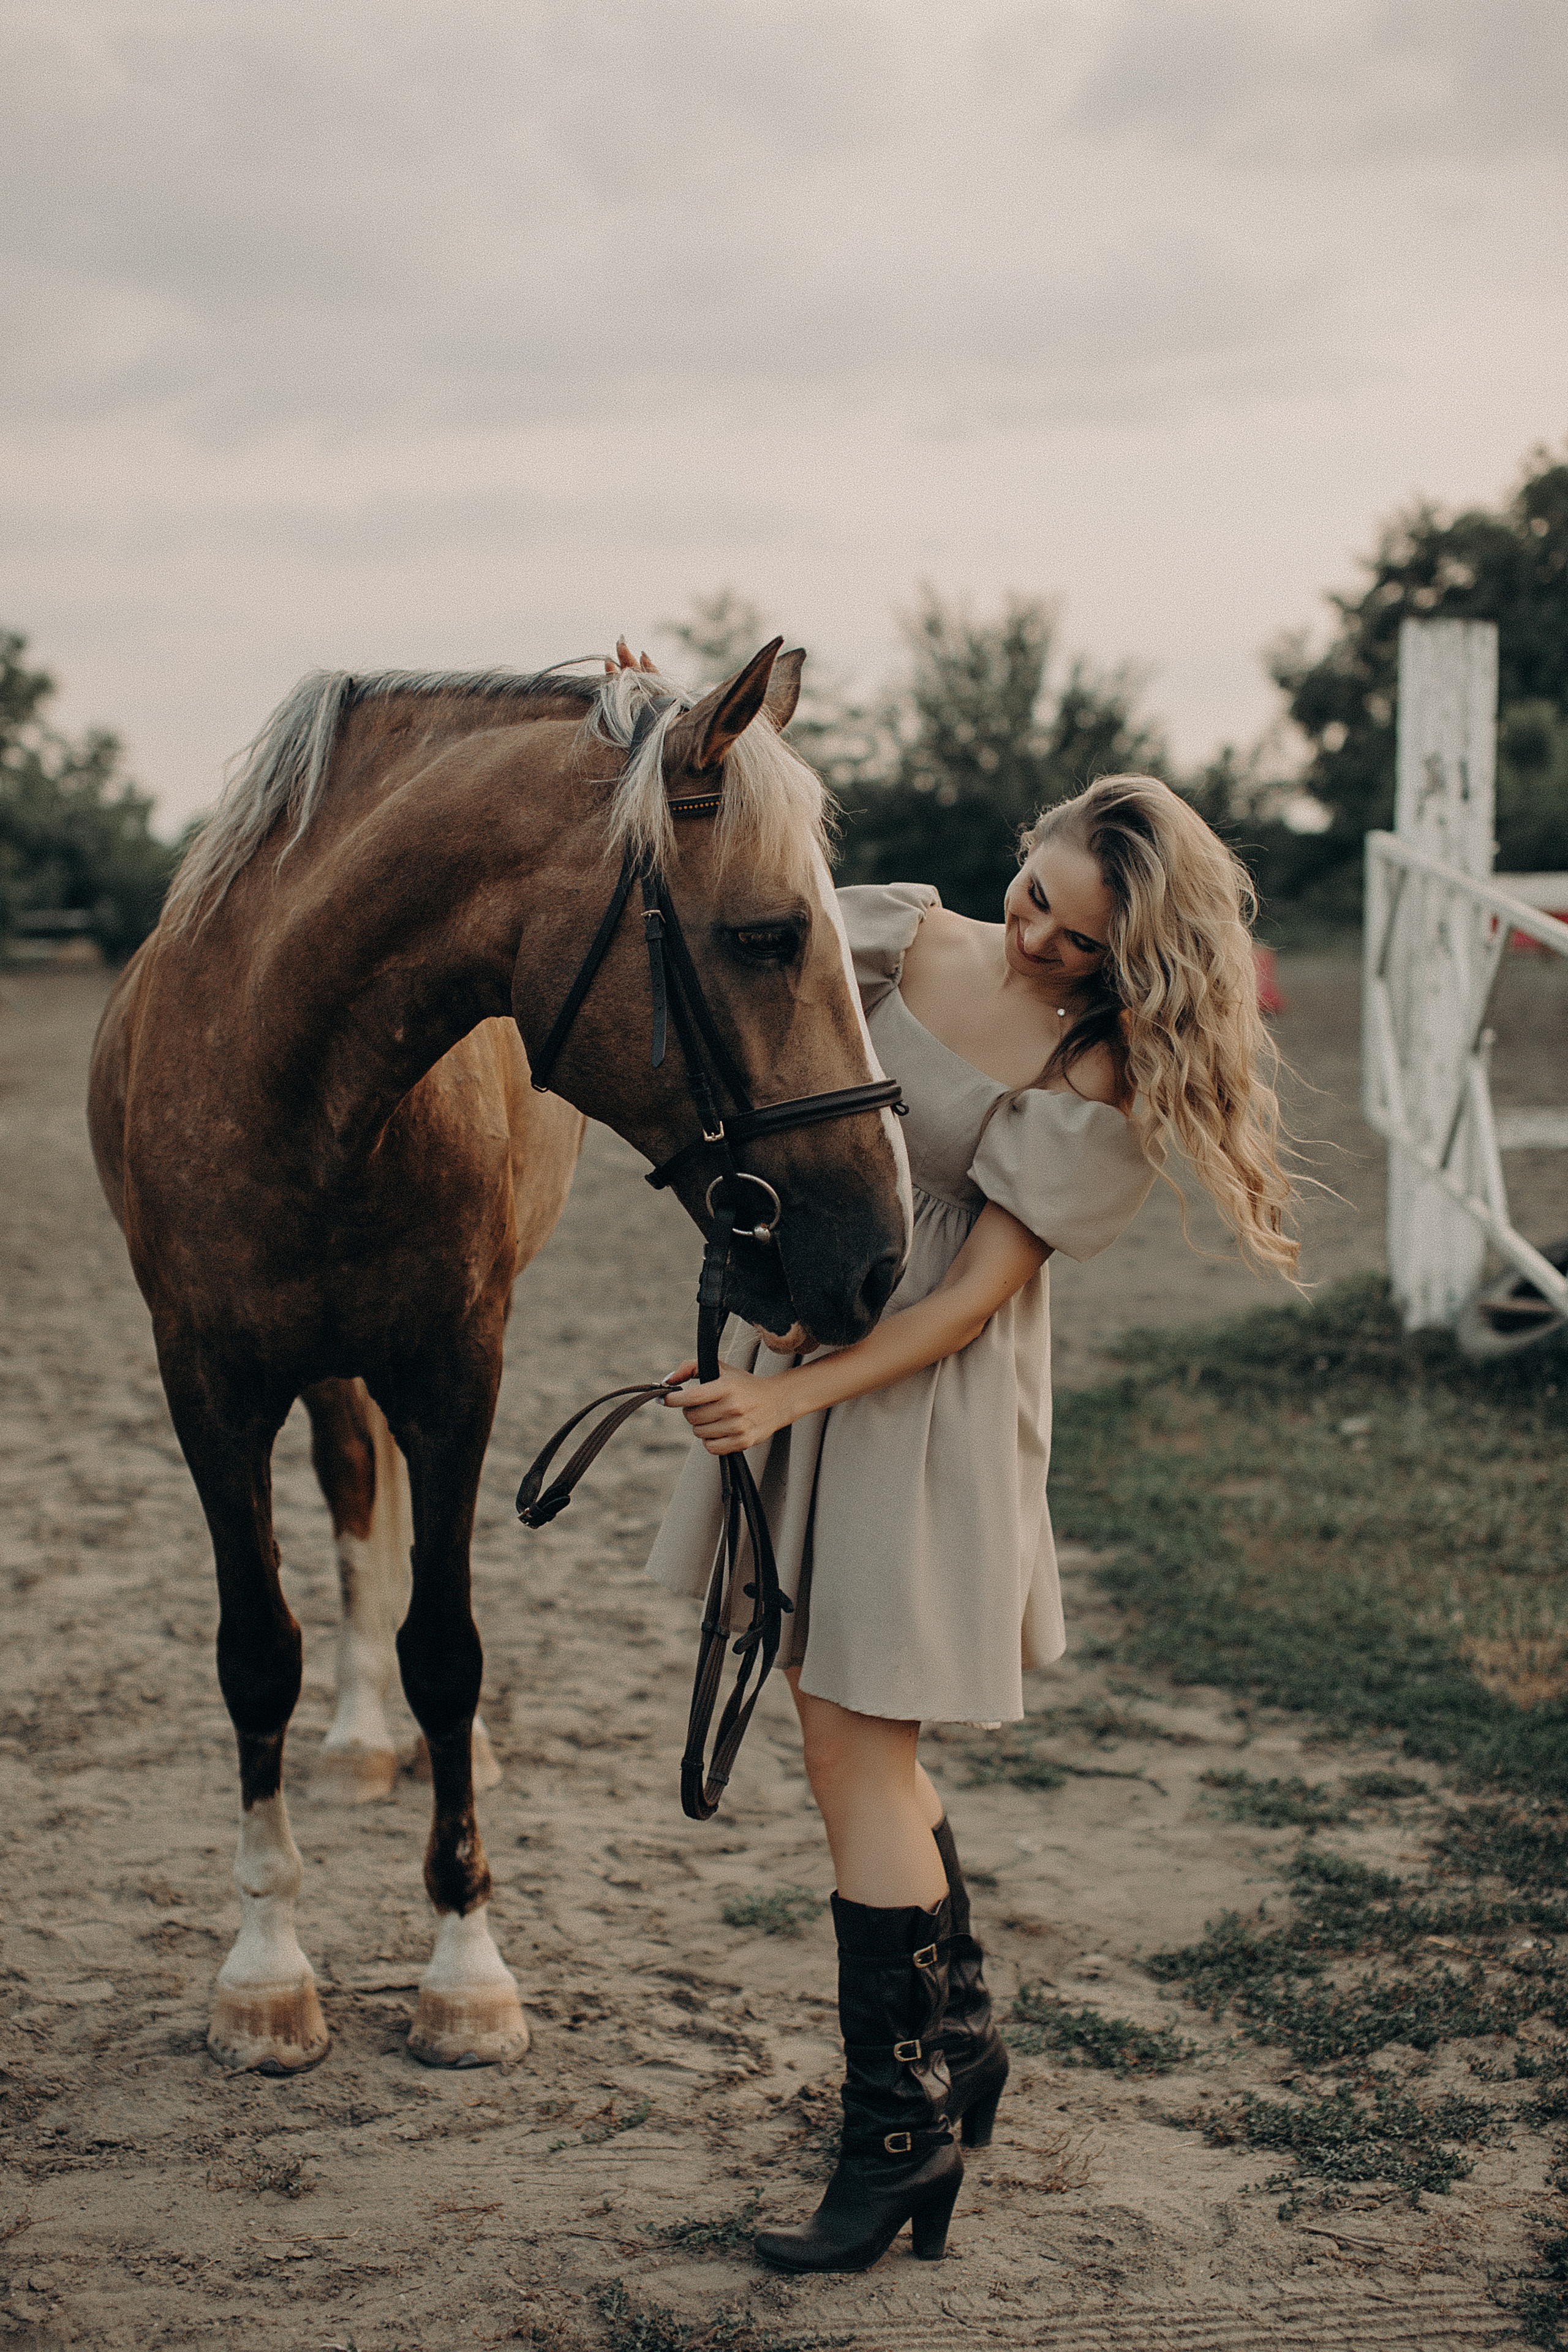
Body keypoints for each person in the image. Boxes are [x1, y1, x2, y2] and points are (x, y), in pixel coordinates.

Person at [646, 758, 1301, 2275]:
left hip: (925, 1411)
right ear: (1024, 849)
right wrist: (774, 1320)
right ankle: (955, 2038)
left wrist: (790, 1401)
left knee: (852, 1747)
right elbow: (776, 1093)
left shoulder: (1097, 1067)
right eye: (1035, 902)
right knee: (851, 1735)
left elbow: (967, 1304)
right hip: (826, 1348)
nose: (1039, 946)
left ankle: (897, 2135)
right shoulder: (891, 934)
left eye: (1083, 943)